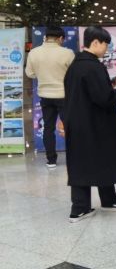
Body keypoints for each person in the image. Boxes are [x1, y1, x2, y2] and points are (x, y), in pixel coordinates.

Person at [63, 26, 116, 222]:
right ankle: (109, 200)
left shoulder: (75, 66)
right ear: (95, 42)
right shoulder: (93, 66)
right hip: (97, 123)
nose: (106, 49)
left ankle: (79, 207)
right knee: (105, 158)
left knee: (80, 164)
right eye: (105, 45)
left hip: (77, 122)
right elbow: (104, 98)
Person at [25, 26, 74, 168]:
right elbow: (73, 74)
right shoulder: (67, 53)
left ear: (45, 37)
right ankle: (74, 157)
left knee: (48, 127)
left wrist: (42, 76)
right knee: (70, 127)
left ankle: (51, 160)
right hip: (64, 95)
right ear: (60, 38)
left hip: (45, 95)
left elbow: (29, 73)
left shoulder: (34, 53)